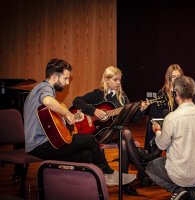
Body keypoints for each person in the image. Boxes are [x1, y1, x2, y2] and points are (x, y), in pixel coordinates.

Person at [23, 59, 136, 188]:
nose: (67, 83)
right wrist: (67, 113)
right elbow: (48, 101)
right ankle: (107, 173)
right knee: (89, 139)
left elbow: (49, 122)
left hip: (46, 143)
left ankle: (84, 185)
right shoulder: (44, 88)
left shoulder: (41, 89)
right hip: (42, 144)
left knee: (86, 154)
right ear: (54, 77)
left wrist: (71, 118)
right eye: (65, 78)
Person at [72, 66, 152, 194]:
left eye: (120, 80)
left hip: (115, 132)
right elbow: (76, 101)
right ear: (106, 79)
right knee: (125, 133)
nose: (118, 83)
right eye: (115, 80)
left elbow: (134, 119)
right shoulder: (98, 94)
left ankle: (124, 184)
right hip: (98, 133)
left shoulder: (122, 97)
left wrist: (141, 110)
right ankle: (141, 173)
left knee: (124, 140)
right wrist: (94, 111)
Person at [146, 75, 195, 200]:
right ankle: (193, 191)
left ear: (176, 94)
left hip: (180, 174)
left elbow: (161, 145)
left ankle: (178, 190)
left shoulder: (172, 117)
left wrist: (158, 131)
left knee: (151, 167)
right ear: (193, 92)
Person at [142, 64, 184, 162]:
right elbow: (158, 116)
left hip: (182, 125)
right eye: (173, 77)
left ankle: (155, 152)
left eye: (178, 77)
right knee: (155, 112)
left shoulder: (186, 92)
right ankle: (154, 152)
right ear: (169, 79)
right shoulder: (162, 93)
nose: (176, 79)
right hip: (167, 126)